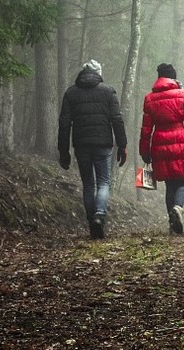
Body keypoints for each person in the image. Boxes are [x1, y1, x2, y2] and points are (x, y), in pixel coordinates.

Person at [58, 59, 128, 239]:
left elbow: (64, 124)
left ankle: (91, 221)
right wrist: (122, 145)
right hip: (103, 144)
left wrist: (63, 151)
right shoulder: (108, 91)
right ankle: (99, 216)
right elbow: (117, 120)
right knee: (104, 182)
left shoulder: (71, 93)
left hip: (81, 145)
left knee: (88, 184)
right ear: (98, 73)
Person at [138, 63, 184, 235]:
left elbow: (146, 128)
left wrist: (144, 151)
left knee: (169, 185)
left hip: (159, 144)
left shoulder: (149, 98)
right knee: (182, 181)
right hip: (180, 141)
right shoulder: (181, 95)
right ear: (173, 78)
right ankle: (178, 208)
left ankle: (172, 223)